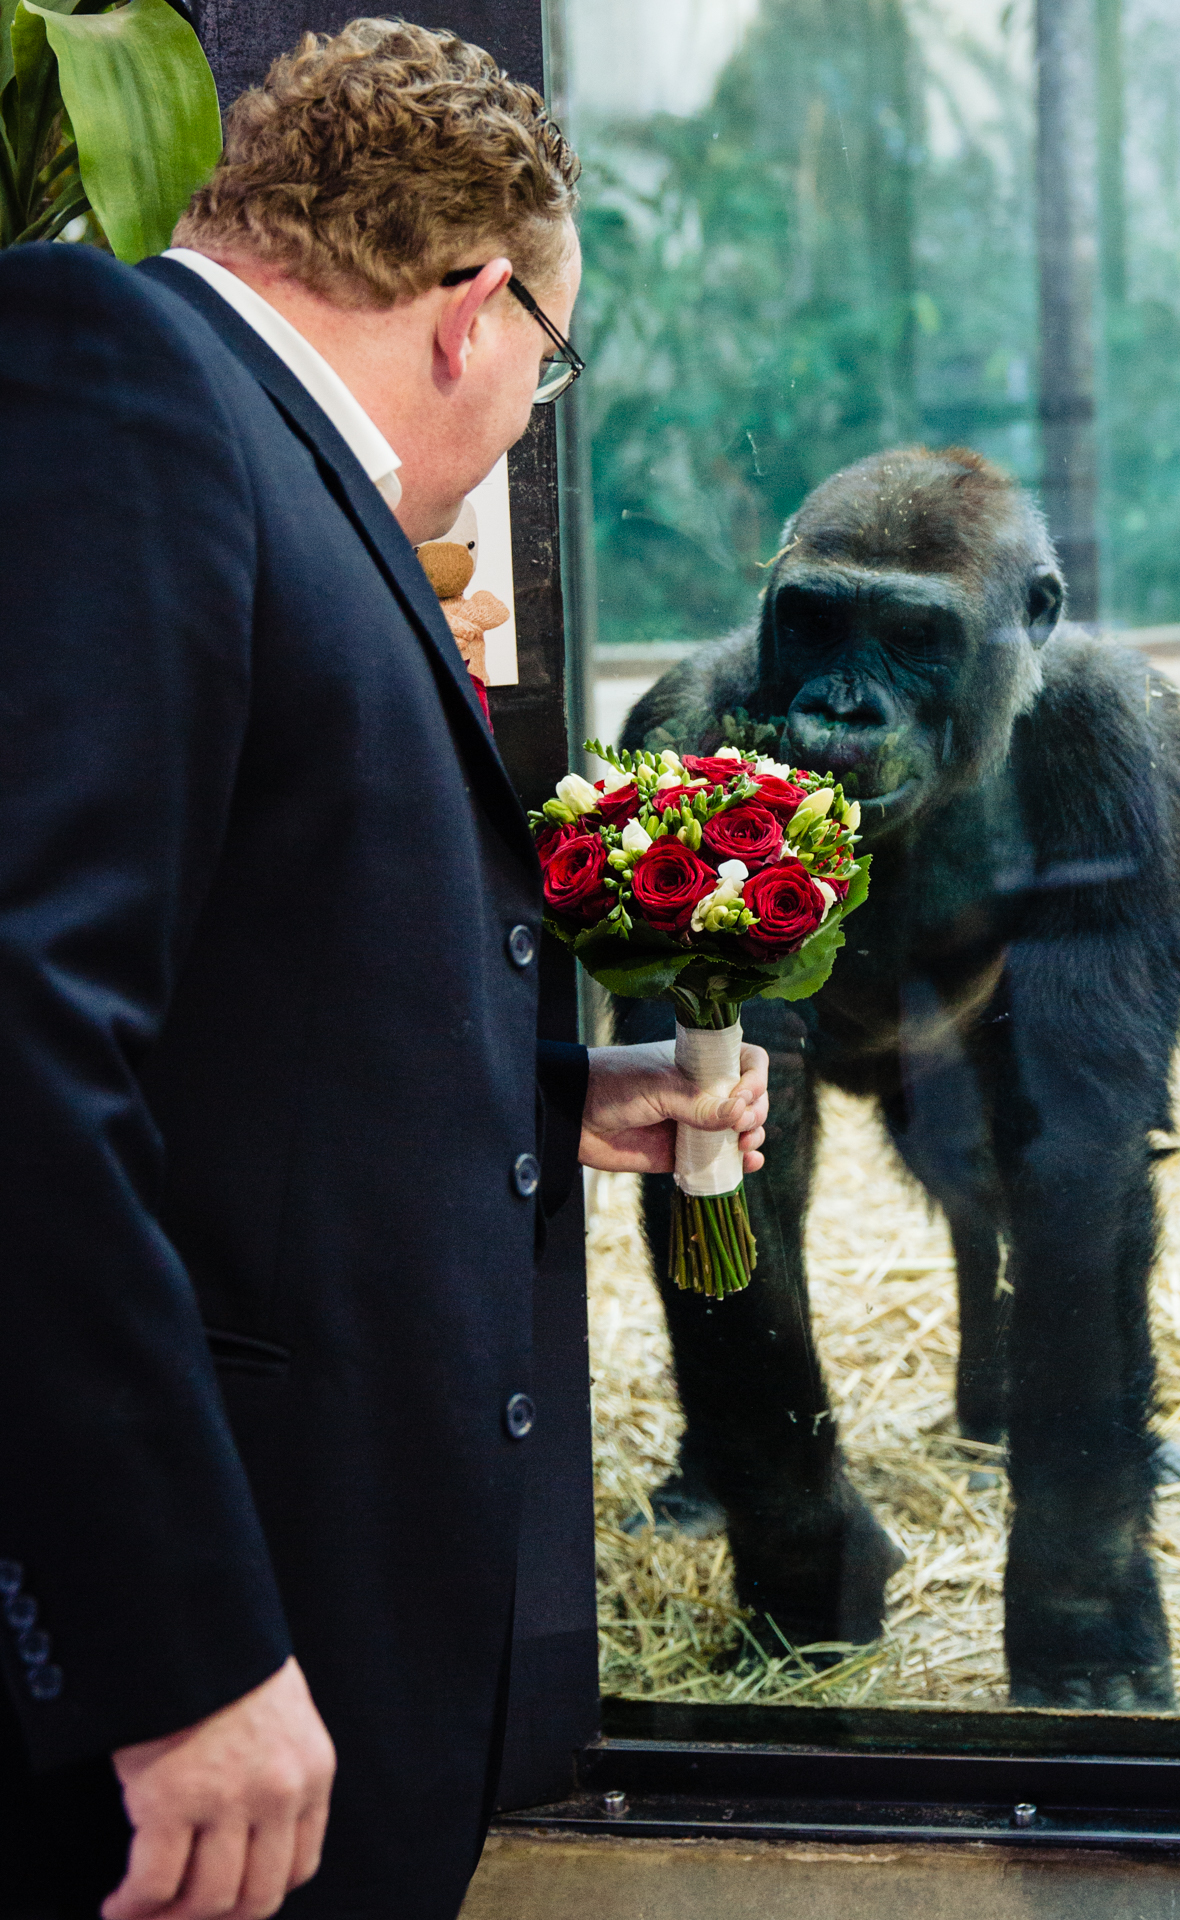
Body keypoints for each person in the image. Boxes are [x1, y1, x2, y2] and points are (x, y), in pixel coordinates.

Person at [0, 20, 770, 1920]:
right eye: (550, 366)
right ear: (474, 308)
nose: (530, 410)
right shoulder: (120, 384)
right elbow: (24, 1031)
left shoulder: (244, 450)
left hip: (311, 1594)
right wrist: (176, 1649)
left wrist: (536, 1093)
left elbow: (224, 991)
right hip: (205, 1627)